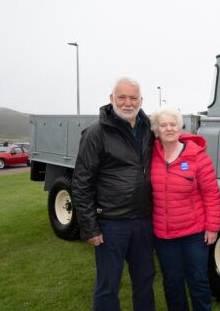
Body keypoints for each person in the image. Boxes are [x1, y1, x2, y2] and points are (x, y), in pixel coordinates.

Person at [72, 77, 155, 311]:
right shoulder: (95, 133)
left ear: (140, 100)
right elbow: (81, 182)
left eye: (133, 97)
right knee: (108, 284)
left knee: (145, 280)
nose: (127, 103)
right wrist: (90, 227)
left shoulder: (149, 128)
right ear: (112, 99)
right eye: (122, 97)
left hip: (143, 221)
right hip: (111, 224)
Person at [149, 106, 220, 311]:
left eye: (173, 124)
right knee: (172, 282)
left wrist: (212, 227)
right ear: (156, 129)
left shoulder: (198, 157)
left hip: (194, 234)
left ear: (180, 128)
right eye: (163, 125)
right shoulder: (150, 156)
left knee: (197, 280)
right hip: (164, 235)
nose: (169, 128)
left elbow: (211, 194)